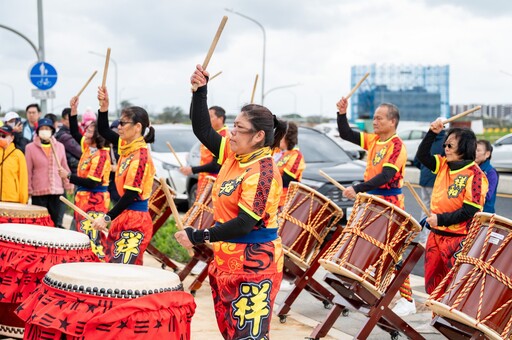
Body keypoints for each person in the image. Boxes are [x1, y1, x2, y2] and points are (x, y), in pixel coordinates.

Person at [175, 64, 287, 339]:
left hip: (254, 266)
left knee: (249, 337)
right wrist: (200, 91)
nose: (231, 133)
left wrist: (199, 235)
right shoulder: (233, 156)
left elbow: (246, 223)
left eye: (238, 128)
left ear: (259, 136)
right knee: (233, 334)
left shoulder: (263, 171)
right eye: (232, 126)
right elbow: (202, 129)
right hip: (226, 261)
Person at [336, 97, 416, 316]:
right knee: (365, 245)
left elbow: (386, 176)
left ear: (392, 121)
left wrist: (358, 188)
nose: (375, 121)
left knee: (392, 251)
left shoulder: (397, 145)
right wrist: (342, 113)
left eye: (379, 118)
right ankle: (365, 289)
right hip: (372, 202)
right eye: (374, 117)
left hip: (390, 204)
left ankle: (408, 300)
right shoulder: (374, 140)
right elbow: (346, 134)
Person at [416, 120, 488, 295]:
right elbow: (422, 155)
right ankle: (434, 319)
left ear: (464, 147)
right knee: (433, 287)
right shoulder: (442, 165)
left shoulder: (476, 175)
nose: (446, 148)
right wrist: (432, 133)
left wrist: (440, 219)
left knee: (453, 289)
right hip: (436, 236)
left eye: (451, 145)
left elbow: (469, 211)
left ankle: (447, 322)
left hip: (458, 240)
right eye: (445, 144)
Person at [92, 86, 156, 265]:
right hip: (124, 216)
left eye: (123, 123)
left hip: (135, 220)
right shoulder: (127, 146)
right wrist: (104, 107)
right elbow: (104, 130)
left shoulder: (140, 156)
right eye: (119, 123)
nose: (118, 127)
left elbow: (130, 195)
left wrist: (106, 217)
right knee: (114, 267)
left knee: (125, 274)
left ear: (137, 127)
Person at [58, 96, 111, 259]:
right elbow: (74, 132)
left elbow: (93, 182)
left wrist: (68, 176)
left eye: (88, 130)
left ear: (96, 135)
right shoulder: (89, 148)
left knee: (93, 240)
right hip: (83, 200)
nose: (84, 132)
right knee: (82, 237)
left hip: (95, 203)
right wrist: (74, 111)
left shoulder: (101, 154)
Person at [25, 118, 72, 228]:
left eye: (47, 129)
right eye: (42, 129)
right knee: (40, 224)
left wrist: (68, 184)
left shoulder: (59, 147)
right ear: (37, 131)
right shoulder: (30, 148)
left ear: (52, 131)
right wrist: (28, 189)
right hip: (39, 192)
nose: (45, 131)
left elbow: (64, 166)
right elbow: (28, 171)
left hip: (56, 192)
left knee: (56, 223)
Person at [179, 105, 229, 196]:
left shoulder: (223, 136)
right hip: (205, 180)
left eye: (210, 116)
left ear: (220, 119)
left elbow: (216, 165)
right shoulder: (212, 134)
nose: (207, 119)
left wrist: (192, 170)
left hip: (215, 182)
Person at [412, 129, 446, 244]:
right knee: (435, 211)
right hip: (436, 181)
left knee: (425, 209)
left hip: (424, 180)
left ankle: (423, 239)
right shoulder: (446, 143)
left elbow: (417, 160)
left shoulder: (427, 141)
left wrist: (423, 169)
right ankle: (431, 240)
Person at [275, 121, 305, 207]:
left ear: (288, 136)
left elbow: (286, 180)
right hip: (269, 199)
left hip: (283, 202)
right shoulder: (276, 151)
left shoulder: (296, 155)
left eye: (280, 135)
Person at [0, 125, 28, 203]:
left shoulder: (18, 155)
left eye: (4, 136)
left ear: (12, 138)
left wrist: (23, 201)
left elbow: (23, 180)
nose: (1, 138)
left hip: (12, 199)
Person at [55, 108, 82, 176]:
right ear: (63, 120)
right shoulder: (64, 136)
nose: (73, 121)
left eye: (74, 118)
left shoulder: (73, 133)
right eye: (70, 119)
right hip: (71, 171)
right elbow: (81, 151)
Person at [475, 139, 499, 213]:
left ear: (487, 154)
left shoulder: (491, 172)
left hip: (485, 215)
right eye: (473, 149)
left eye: (478, 150)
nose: (474, 153)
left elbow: (487, 196)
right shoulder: (471, 168)